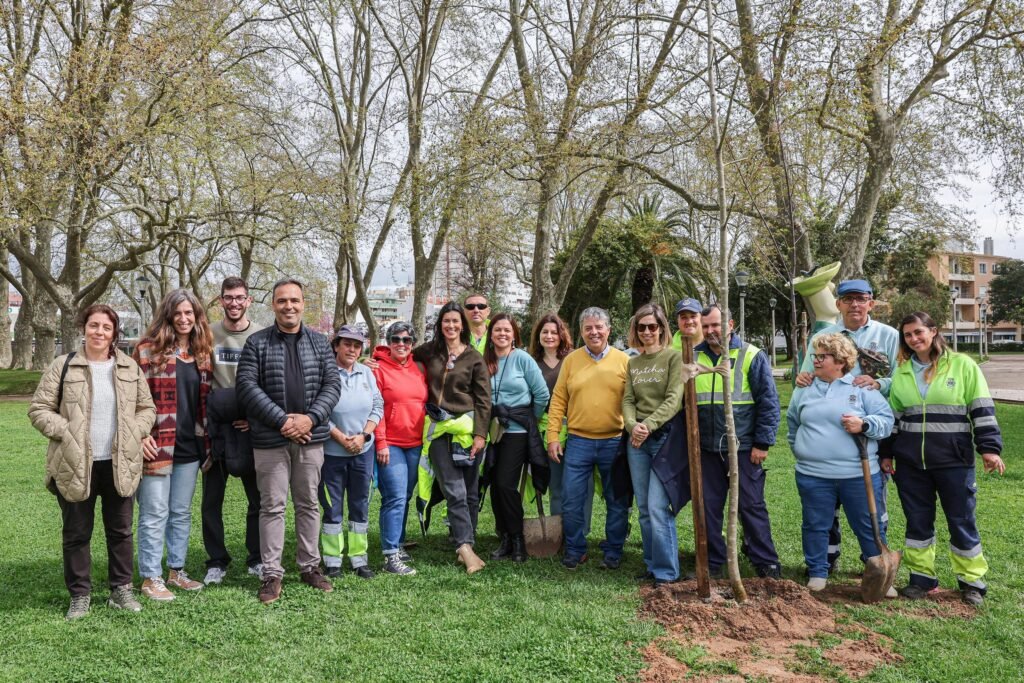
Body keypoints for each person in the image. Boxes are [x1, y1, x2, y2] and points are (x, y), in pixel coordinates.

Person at [28, 304, 156, 619]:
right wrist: (67, 431)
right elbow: (39, 409)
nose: (99, 332)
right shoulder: (64, 365)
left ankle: (121, 589)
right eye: (93, 325)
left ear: (114, 333)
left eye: (106, 327)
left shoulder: (128, 367)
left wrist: (133, 432)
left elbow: (146, 409)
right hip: (74, 463)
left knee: (121, 530)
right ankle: (80, 595)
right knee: (76, 532)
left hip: (118, 462)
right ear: (83, 328)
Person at [880, 312, 1005, 607]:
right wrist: (886, 453)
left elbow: (982, 409)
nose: (914, 339)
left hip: (954, 462)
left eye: (919, 332)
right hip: (911, 464)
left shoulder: (962, 366)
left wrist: (989, 448)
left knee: (961, 521)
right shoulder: (902, 371)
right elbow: (893, 418)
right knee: (918, 523)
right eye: (908, 335)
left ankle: (971, 582)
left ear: (934, 331)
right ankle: (922, 579)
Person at [236, 278, 342, 604]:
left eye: (294, 300)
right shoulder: (257, 343)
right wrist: (283, 420)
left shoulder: (321, 343)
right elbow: (247, 387)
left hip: (311, 437)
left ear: (303, 304)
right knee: (272, 506)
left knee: (309, 503)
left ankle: (310, 567)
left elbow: (332, 385)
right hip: (270, 439)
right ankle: (271, 574)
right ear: (273, 305)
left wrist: (309, 418)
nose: (289, 306)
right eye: (282, 301)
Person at [795, 279, 900, 573]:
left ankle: (874, 561)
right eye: (848, 299)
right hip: (828, 436)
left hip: (874, 429)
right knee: (826, 510)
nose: (855, 304)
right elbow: (806, 375)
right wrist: (803, 380)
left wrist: (880, 383)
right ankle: (827, 560)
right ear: (838, 303)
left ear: (871, 303)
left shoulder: (888, 335)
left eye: (861, 298)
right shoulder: (824, 335)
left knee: (870, 506)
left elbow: (902, 376)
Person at [787, 333, 894, 592]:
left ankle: (880, 572)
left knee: (869, 524)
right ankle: (817, 572)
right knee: (815, 524)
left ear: (840, 361)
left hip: (858, 474)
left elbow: (887, 422)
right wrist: (804, 451)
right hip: (813, 474)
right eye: (815, 356)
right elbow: (793, 424)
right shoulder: (804, 389)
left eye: (822, 356)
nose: (815, 361)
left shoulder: (860, 389)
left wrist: (864, 424)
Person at [133, 289, 214, 601]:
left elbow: (205, 403)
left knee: (180, 511)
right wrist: (141, 436)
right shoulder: (147, 351)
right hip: (157, 444)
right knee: (154, 512)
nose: (183, 319)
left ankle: (176, 570)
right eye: (178, 313)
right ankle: (150, 576)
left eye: (189, 313)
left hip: (190, 446)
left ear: (196, 317)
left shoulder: (202, 353)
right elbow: (131, 400)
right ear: (167, 315)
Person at [694, 303, 782, 578]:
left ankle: (765, 561)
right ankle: (714, 561)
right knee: (708, 507)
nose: (710, 331)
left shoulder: (751, 355)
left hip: (742, 447)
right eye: (705, 326)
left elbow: (769, 402)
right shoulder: (693, 357)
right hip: (707, 449)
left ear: (730, 325)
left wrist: (762, 443)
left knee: (751, 504)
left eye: (715, 325)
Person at [547, 307, 630, 570]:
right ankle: (575, 549)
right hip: (578, 441)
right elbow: (558, 400)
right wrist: (553, 437)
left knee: (616, 500)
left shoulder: (623, 361)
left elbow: (633, 400)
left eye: (598, 327)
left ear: (608, 329)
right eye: (588, 328)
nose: (593, 332)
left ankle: (614, 549)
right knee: (572, 499)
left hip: (614, 441)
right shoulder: (571, 361)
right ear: (581, 332)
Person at [412, 301, 491, 573]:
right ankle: (465, 548)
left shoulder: (473, 358)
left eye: (456, 321)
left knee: (469, 492)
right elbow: (401, 356)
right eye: (446, 321)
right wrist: (377, 357)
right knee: (454, 490)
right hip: (439, 431)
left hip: (467, 434)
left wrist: (480, 434)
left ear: (463, 325)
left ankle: (467, 543)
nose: (451, 326)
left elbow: (483, 400)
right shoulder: (429, 351)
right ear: (440, 324)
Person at [202, 276, 264, 585]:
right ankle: (216, 560)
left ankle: (256, 557)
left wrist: (257, 420)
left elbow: (270, 384)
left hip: (249, 426)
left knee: (259, 499)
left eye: (240, 297)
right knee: (212, 499)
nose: (234, 302)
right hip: (217, 427)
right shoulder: (209, 334)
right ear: (221, 300)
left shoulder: (262, 336)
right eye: (229, 297)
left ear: (249, 300)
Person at [622, 303, 684, 585]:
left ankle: (667, 572)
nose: (647, 331)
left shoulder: (673, 358)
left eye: (652, 327)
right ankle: (651, 564)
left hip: (663, 438)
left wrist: (648, 425)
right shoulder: (633, 362)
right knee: (644, 508)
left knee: (659, 506)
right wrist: (633, 426)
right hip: (637, 441)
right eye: (641, 327)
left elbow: (674, 399)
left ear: (661, 329)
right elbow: (628, 400)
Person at [484, 313, 549, 562]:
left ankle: (518, 538)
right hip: (493, 430)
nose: (502, 334)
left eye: (507, 330)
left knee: (505, 484)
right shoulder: (485, 360)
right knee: (493, 484)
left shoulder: (522, 359)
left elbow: (541, 394)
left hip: (518, 432)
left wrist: (527, 417)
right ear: (491, 334)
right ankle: (506, 539)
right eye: (498, 330)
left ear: (514, 334)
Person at [320, 325, 383, 579]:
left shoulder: (367, 373)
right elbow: (319, 411)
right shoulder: (326, 372)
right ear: (336, 345)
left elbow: (377, 405)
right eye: (347, 344)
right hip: (332, 452)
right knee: (332, 506)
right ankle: (333, 560)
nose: (352, 349)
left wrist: (364, 435)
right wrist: (340, 437)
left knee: (360, 505)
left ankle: (359, 559)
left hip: (363, 450)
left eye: (357, 345)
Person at [371, 321, 425, 576]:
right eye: (395, 339)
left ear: (413, 343)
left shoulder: (418, 369)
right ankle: (390, 555)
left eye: (406, 340)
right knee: (395, 496)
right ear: (388, 341)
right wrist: (380, 442)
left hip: (415, 443)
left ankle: (398, 543)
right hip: (390, 444)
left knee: (405, 494)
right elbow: (376, 407)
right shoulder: (378, 369)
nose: (401, 344)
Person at [528, 313, 588, 520]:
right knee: (556, 484)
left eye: (554, 332)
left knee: (579, 484)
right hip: (548, 430)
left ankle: (579, 529)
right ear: (538, 336)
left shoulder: (574, 358)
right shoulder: (531, 361)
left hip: (577, 429)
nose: (550, 336)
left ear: (562, 335)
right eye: (545, 332)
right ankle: (558, 529)